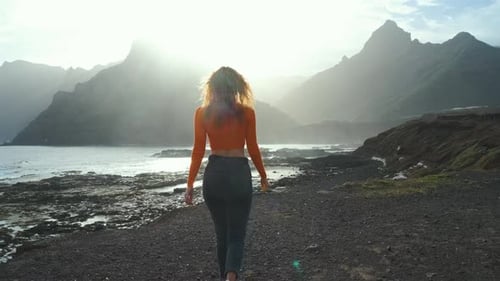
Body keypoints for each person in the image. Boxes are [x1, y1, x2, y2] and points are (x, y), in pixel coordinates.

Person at [185, 66, 269, 281]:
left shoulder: (201, 113)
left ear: (212, 88)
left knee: (222, 235)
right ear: (237, 87)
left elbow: (198, 150)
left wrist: (190, 184)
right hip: (239, 174)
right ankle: (232, 276)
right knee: (236, 235)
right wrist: (263, 175)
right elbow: (252, 148)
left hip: (214, 175)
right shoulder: (247, 113)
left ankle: (226, 277)